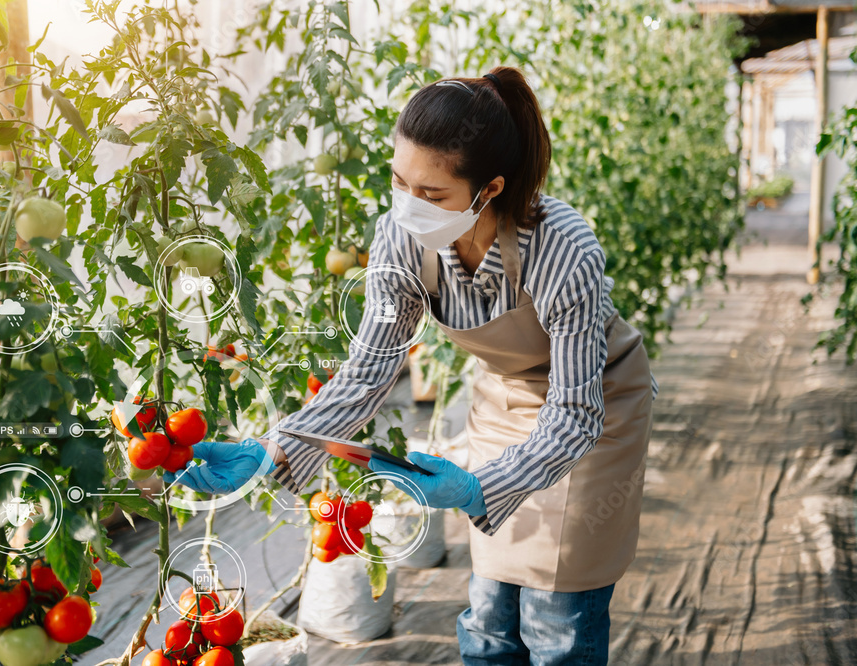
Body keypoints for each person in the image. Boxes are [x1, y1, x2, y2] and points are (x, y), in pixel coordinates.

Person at [165, 66, 658, 665]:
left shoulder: (562, 248)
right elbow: (372, 367)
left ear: (490, 189)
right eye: (400, 183)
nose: (408, 206)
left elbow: (575, 415)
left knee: (558, 622)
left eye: (431, 195)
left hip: (595, 410)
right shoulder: (400, 238)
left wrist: (480, 487)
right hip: (505, 399)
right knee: (490, 617)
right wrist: (277, 449)